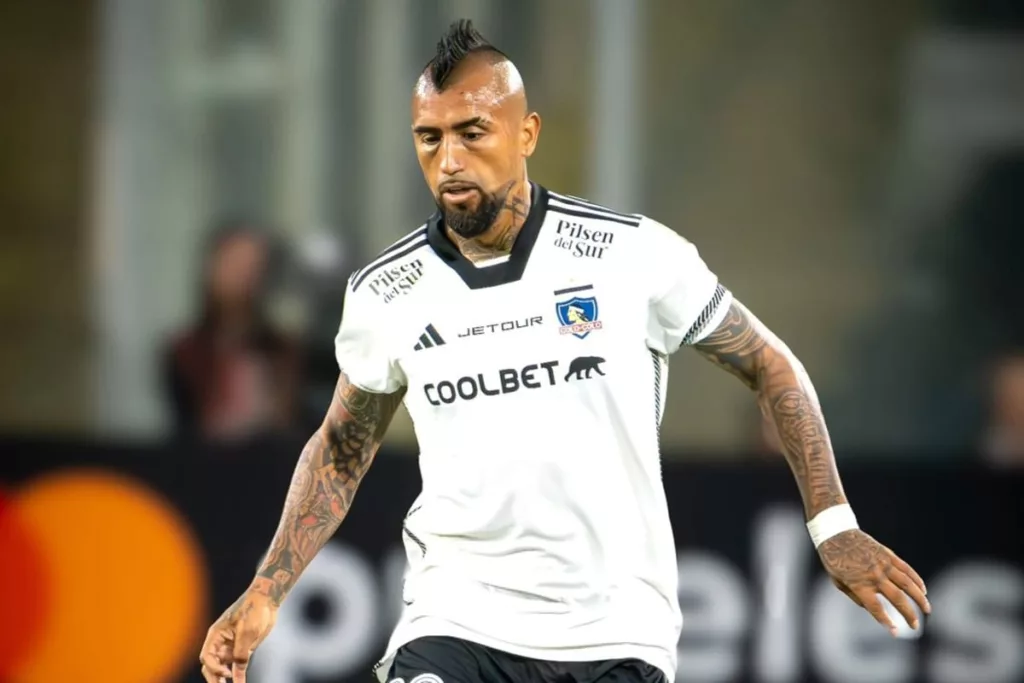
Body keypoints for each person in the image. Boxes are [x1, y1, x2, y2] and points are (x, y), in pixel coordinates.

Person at [199, 20, 931, 683]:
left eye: (473, 132)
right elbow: (339, 447)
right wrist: (267, 589)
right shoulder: (386, 292)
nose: (449, 160)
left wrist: (834, 527)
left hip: (615, 630)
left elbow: (770, 364)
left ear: (527, 133)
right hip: (457, 620)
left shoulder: (632, 255)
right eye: (430, 137)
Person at [164, 222, 302, 442]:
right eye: (235, 265)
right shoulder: (185, 351)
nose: (245, 277)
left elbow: (288, 422)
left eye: (254, 267)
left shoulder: (282, 351)